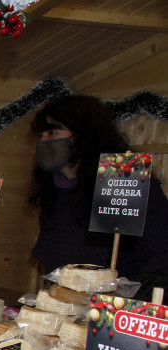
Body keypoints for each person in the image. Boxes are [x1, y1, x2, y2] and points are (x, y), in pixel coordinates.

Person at [30, 94, 168, 299]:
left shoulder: (127, 180)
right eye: (41, 135)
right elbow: (53, 258)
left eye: (52, 132)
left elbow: (160, 259)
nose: (44, 141)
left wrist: (122, 306)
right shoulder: (54, 189)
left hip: (118, 310)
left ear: (83, 135)